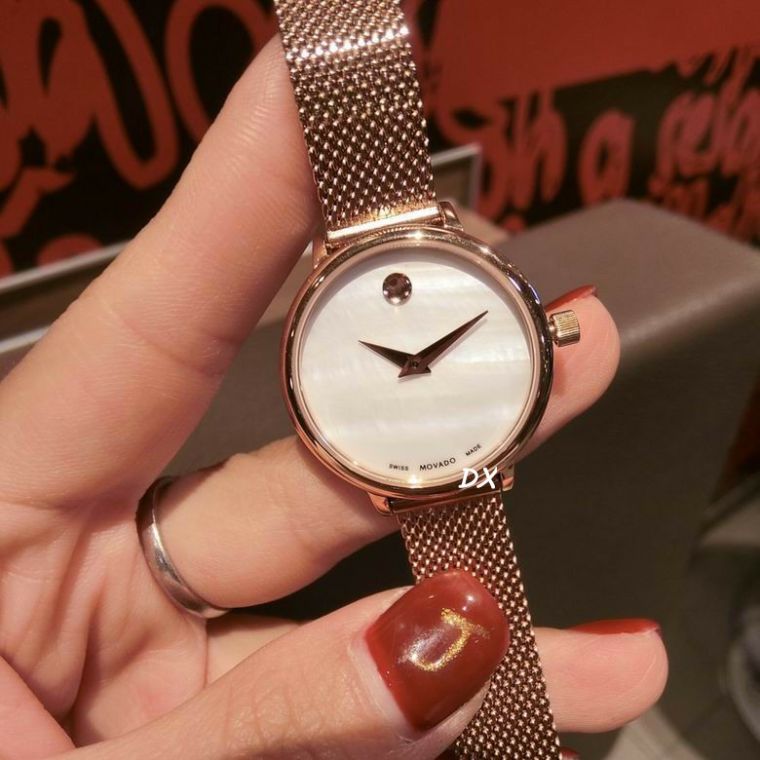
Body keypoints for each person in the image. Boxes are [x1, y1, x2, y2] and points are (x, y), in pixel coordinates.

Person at [0, 39, 667, 759]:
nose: (416, 366)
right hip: (425, 465)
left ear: (545, 331)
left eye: (423, 358)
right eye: (406, 361)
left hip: (469, 460)